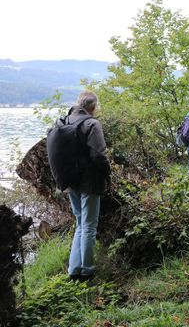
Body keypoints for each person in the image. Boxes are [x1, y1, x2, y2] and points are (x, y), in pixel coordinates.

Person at [60, 91, 111, 282]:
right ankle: (87, 271)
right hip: (89, 182)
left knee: (80, 224)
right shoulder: (92, 123)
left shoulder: (65, 121)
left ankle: (74, 270)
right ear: (93, 107)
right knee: (89, 225)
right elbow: (99, 154)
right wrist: (108, 173)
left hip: (70, 181)